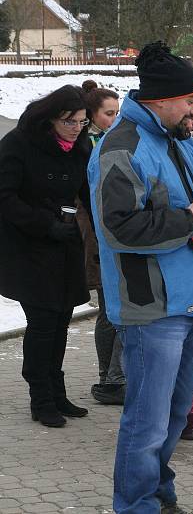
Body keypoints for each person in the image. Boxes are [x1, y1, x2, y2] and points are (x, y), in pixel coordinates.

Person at [88, 41, 193, 514]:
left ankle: (158, 493)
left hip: (191, 300)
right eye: (192, 101)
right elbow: (118, 228)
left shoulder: (175, 138)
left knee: (175, 416)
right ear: (161, 101)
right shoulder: (123, 147)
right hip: (151, 307)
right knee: (148, 420)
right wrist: (188, 222)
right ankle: (136, 505)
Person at [0, 85, 93, 428]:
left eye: (82, 122)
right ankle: (40, 398)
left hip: (65, 244)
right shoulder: (19, 144)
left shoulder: (80, 145)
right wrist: (43, 224)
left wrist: (101, 230)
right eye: (69, 122)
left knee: (61, 321)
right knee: (42, 324)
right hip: (28, 247)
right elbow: (5, 197)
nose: (76, 128)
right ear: (52, 117)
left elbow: (87, 189)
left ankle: (57, 390)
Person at [78, 80, 127, 405]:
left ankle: (112, 379)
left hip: (114, 237)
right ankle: (107, 379)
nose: (115, 118)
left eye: (117, 112)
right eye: (108, 113)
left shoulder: (119, 141)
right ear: (93, 115)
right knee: (110, 311)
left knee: (116, 310)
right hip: (96, 239)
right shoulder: (86, 147)